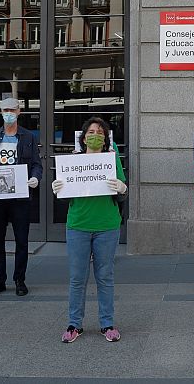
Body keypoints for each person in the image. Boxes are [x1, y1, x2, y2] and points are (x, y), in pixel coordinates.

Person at [52, 117, 127, 343]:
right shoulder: (73, 161)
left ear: (105, 139)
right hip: (78, 225)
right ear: (84, 137)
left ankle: (107, 324)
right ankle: (75, 324)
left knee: (105, 277)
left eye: (100, 132)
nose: (96, 134)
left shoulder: (112, 160)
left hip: (107, 225)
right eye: (92, 131)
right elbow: (65, 195)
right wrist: (58, 188)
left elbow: (122, 190)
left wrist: (123, 187)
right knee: (77, 278)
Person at [0, 98, 43, 297]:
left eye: (12, 109)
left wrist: (35, 178)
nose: (9, 113)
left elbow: (37, 164)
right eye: (5, 110)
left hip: (20, 197)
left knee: (22, 240)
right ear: (1, 112)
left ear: (19, 112)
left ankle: (19, 279)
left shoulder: (28, 137)